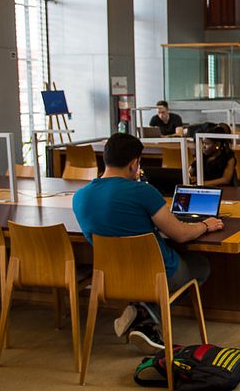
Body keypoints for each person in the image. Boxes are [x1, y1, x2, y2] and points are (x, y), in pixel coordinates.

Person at [72, 133, 223, 354]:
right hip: (158, 274)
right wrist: (206, 226)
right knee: (201, 265)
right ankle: (143, 313)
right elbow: (180, 234)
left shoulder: (80, 196)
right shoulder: (142, 192)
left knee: (149, 275)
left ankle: (142, 313)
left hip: (112, 277)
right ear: (134, 163)